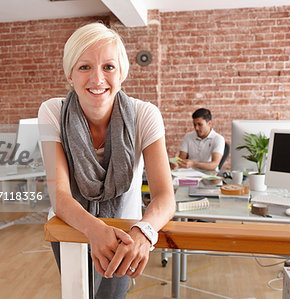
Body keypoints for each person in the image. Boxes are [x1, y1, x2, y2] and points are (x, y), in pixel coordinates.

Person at [38, 23, 175, 298]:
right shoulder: (52, 111)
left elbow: (164, 197)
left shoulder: (145, 115)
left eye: (108, 67)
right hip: (70, 227)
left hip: (125, 234)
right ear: (70, 74)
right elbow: (61, 195)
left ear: (122, 72)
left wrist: (143, 232)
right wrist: (94, 228)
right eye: (84, 67)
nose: (97, 79)